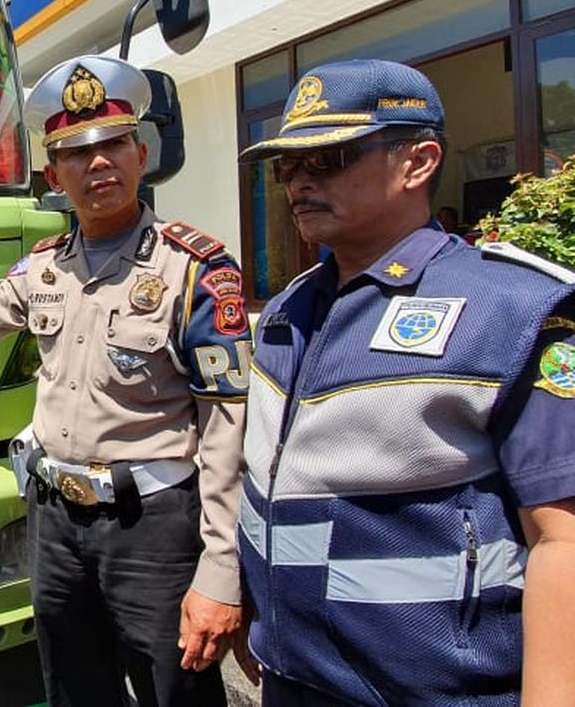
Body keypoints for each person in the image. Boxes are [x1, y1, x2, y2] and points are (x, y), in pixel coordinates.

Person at [0, 55, 252, 706]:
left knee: (173, 691)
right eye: (76, 152)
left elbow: (227, 433)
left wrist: (221, 570)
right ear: (51, 175)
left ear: (141, 154)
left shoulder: (195, 270)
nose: (99, 164)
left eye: (114, 144)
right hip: (56, 520)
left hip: (151, 525)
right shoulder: (43, 268)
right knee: (72, 685)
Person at [235, 58, 575, 705]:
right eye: (288, 166)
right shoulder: (286, 313)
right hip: (292, 680)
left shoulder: (513, 311)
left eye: (328, 158)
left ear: (417, 163)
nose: (299, 182)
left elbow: (564, 540)